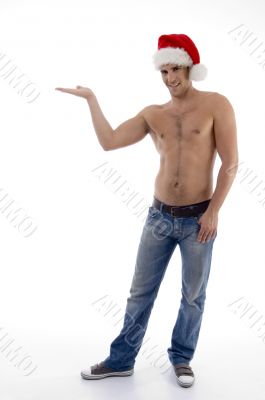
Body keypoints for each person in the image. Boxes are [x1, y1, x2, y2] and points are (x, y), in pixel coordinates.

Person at [55, 33, 238, 388]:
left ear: (190, 69)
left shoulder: (217, 104)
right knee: (140, 293)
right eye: (164, 71)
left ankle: (181, 358)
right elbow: (109, 141)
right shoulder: (154, 114)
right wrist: (92, 100)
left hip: (198, 218)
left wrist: (214, 211)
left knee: (193, 295)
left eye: (176, 70)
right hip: (158, 218)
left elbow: (230, 163)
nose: (170, 78)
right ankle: (121, 360)